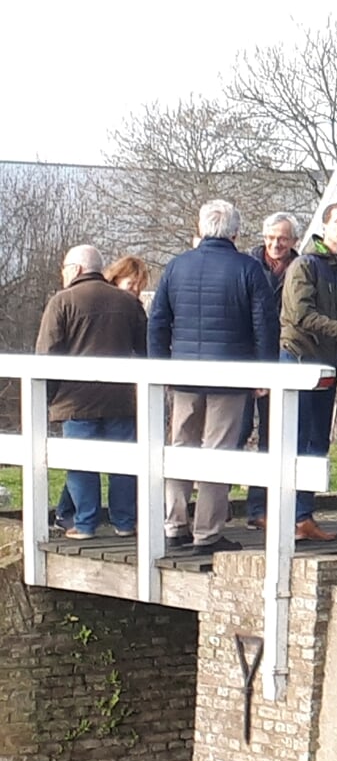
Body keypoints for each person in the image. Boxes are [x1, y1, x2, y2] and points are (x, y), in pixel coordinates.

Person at [150, 200, 278, 555]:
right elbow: (265, 326)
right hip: (230, 377)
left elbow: (158, 322)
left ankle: (174, 525)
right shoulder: (249, 270)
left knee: (180, 448)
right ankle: (206, 533)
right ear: (235, 232)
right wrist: (264, 372)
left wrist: (160, 368)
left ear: (202, 227)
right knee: (218, 452)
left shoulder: (176, 267)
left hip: (183, 376)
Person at [36, 245, 146, 539]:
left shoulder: (62, 302)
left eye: (64, 268)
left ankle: (84, 524)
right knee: (123, 462)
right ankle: (124, 523)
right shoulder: (128, 303)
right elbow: (147, 350)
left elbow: (46, 356)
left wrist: (43, 402)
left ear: (76, 269)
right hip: (121, 399)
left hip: (76, 402)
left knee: (81, 463)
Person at [280, 202, 337, 542]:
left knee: (316, 443)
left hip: (328, 366)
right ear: (324, 227)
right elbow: (300, 315)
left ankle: (304, 517)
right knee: (297, 441)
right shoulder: (304, 265)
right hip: (300, 361)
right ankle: (293, 516)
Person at [242, 212, 300, 530]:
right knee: (235, 433)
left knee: (273, 433)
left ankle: (260, 508)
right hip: (249, 357)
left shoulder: (300, 268)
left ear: (293, 241)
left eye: (282, 238)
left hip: (285, 356)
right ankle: (220, 504)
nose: (275, 244)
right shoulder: (249, 266)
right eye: (270, 238)